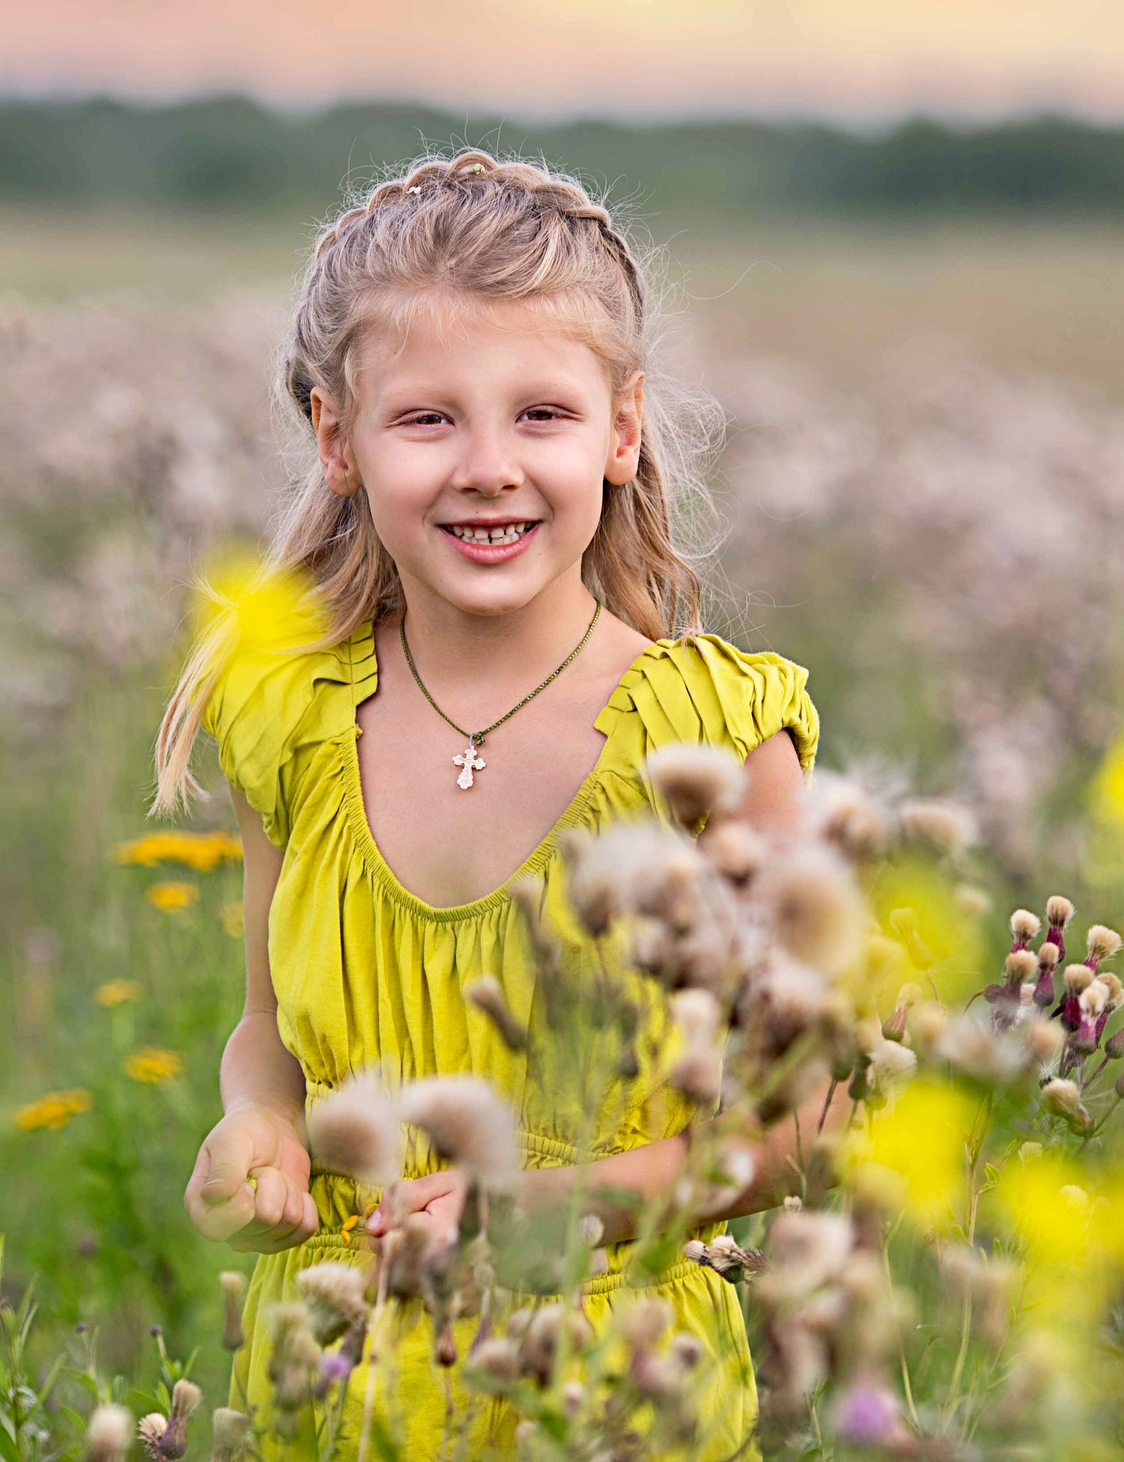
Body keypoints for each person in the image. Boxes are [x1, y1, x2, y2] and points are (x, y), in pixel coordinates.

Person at [160, 150, 828, 1456]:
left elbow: (810, 1125)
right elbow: (267, 1035)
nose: (486, 467)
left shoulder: (722, 742)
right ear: (336, 439)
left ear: (621, 431)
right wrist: (255, 1129)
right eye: (427, 420)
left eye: (541, 416)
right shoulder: (289, 719)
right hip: (337, 1388)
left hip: (619, 1400)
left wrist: (546, 1204)